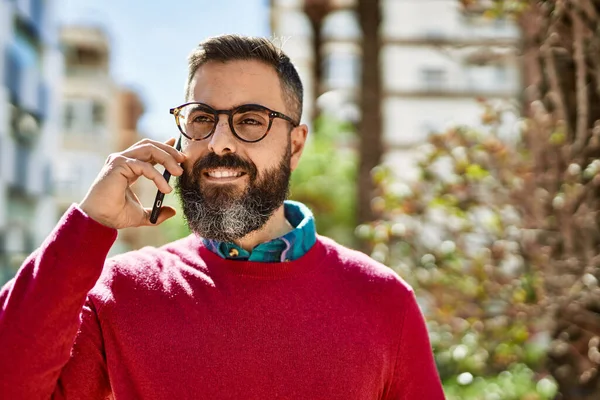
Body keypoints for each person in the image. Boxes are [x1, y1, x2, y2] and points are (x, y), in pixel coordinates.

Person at [0, 34, 444, 399]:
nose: (220, 142)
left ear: (295, 145)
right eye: (202, 118)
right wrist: (89, 225)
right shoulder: (119, 294)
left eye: (251, 120)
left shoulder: (383, 300)